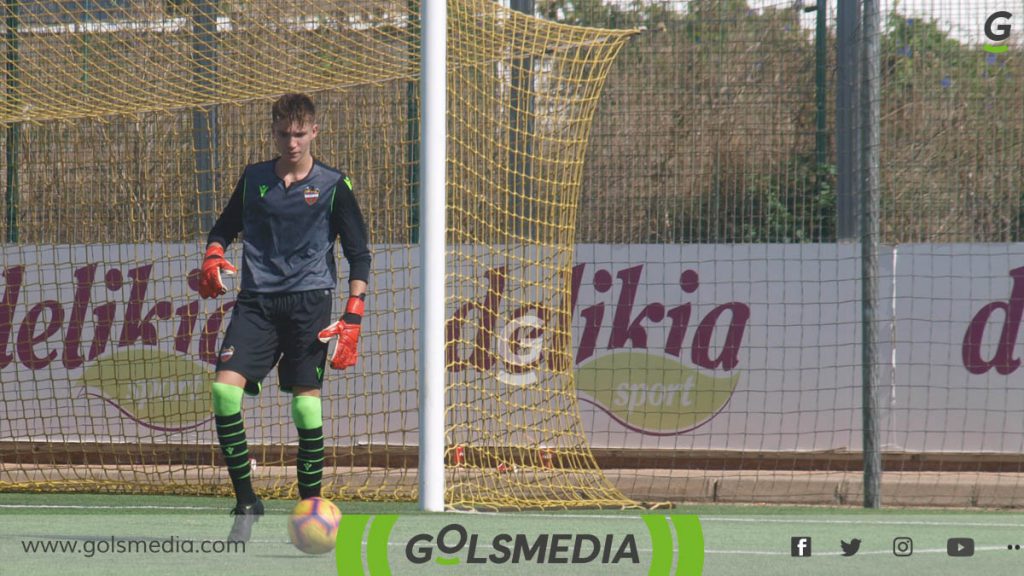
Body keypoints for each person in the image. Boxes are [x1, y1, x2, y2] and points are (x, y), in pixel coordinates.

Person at [198, 93, 371, 543]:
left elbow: (359, 254)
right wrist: (214, 255)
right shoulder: (255, 179)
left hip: (309, 304)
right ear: (273, 132)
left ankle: (310, 508)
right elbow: (223, 228)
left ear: (315, 131)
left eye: (300, 133)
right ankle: (246, 501)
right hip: (256, 302)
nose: (291, 141)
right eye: (283, 133)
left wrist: (353, 314)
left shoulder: (334, 184)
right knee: (222, 392)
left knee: (305, 405)